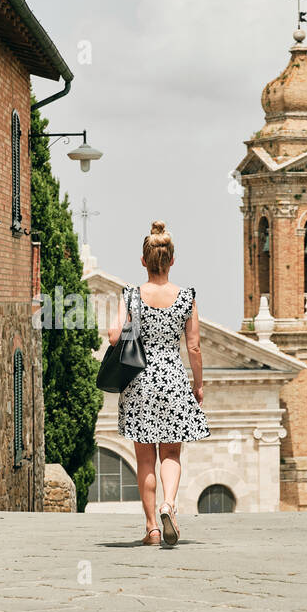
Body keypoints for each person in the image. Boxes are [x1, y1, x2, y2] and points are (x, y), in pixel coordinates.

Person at [108, 221, 209, 546]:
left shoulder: (131, 295)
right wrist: (198, 385)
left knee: (145, 457)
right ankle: (170, 504)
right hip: (173, 380)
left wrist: (133, 328)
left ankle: (152, 527)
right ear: (172, 261)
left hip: (138, 381)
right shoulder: (186, 297)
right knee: (171, 453)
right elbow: (193, 347)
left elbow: (113, 335)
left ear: (143, 261)